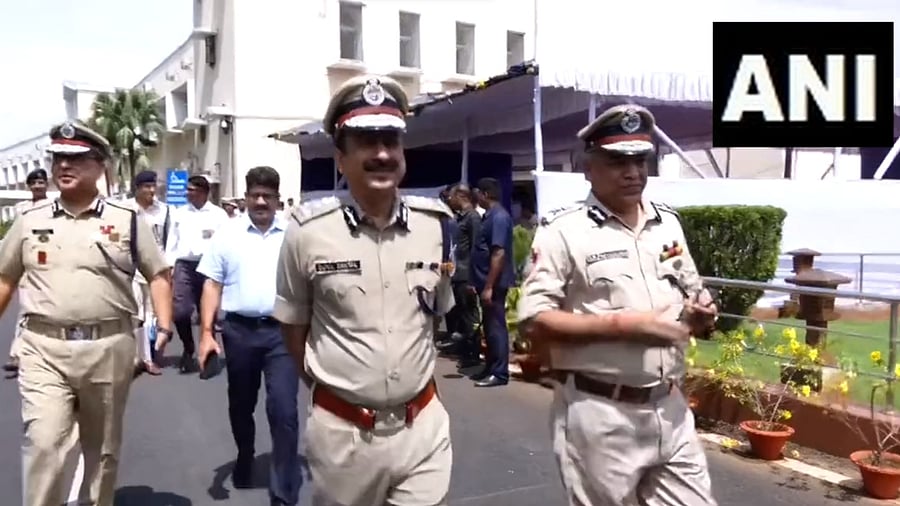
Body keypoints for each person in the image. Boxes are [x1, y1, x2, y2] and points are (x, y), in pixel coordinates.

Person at [517, 105, 719, 506]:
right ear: (588, 168)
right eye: (618, 161)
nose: (634, 172)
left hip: (671, 409)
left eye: (641, 160)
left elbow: (693, 294)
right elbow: (534, 319)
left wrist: (702, 315)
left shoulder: (668, 225)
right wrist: (624, 326)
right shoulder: (563, 231)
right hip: (602, 415)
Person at [273, 75, 456, 506]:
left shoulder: (435, 226)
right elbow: (294, 330)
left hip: (423, 428)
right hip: (345, 437)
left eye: (391, 141)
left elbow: (433, 318)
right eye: (366, 143)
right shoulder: (307, 233)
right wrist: (337, 389)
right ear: (341, 158)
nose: (381, 154)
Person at [0, 121, 173, 506]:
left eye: (76, 158)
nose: (64, 165)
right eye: (59, 158)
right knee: (43, 443)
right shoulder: (31, 220)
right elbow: (5, 278)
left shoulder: (127, 219)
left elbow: (158, 274)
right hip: (43, 348)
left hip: (108, 348)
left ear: (101, 166)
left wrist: (164, 325)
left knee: (102, 448)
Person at [196, 166, 300, 506]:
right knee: (241, 404)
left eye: (267, 196)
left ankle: (283, 491)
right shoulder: (227, 234)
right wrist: (207, 333)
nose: (260, 202)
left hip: (281, 334)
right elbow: (212, 283)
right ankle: (245, 454)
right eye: (255, 195)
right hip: (238, 332)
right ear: (245, 197)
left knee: (284, 410)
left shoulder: (294, 234)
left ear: (277, 199)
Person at [159, 175, 228, 372]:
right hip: (184, 266)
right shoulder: (179, 213)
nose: (187, 193)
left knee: (208, 315)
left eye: (192, 190)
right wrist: (169, 266)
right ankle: (188, 348)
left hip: (209, 266)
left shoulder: (218, 215)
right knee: (180, 313)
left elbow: (225, 243)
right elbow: (171, 240)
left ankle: (208, 356)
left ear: (204, 192)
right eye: (187, 189)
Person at [4, 168, 51, 376]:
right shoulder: (22, 209)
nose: (38, 186)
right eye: (34, 183)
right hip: (27, 265)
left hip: (51, 266)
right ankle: (17, 355)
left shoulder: (55, 207)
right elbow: (14, 238)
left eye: (41, 182)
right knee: (25, 311)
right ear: (29, 186)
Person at [470, 177, 515, 387]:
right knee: (489, 327)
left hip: (494, 284)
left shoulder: (498, 218)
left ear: (485, 194)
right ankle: (490, 366)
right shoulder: (488, 216)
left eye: (478, 192)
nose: (475, 196)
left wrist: (488, 286)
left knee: (496, 327)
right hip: (484, 282)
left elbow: (498, 253)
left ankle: (500, 373)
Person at [127, 170, 171, 376]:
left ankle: (149, 356)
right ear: (137, 188)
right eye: (146, 187)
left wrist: (170, 266)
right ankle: (136, 357)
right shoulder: (126, 209)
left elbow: (171, 240)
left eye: (153, 186)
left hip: (157, 270)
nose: (151, 191)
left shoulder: (164, 211)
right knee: (136, 314)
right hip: (132, 269)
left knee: (153, 314)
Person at [446, 183, 482, 368]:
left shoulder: (473, 218)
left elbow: (477, 248)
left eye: (452, 197)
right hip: (457, 272)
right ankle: (464, 349)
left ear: (461, 196)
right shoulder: (461, 218)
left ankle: (473, 353)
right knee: (461, 313)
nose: (449, 201)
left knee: (470, 315)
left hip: (466, 274)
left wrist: (473, 278)